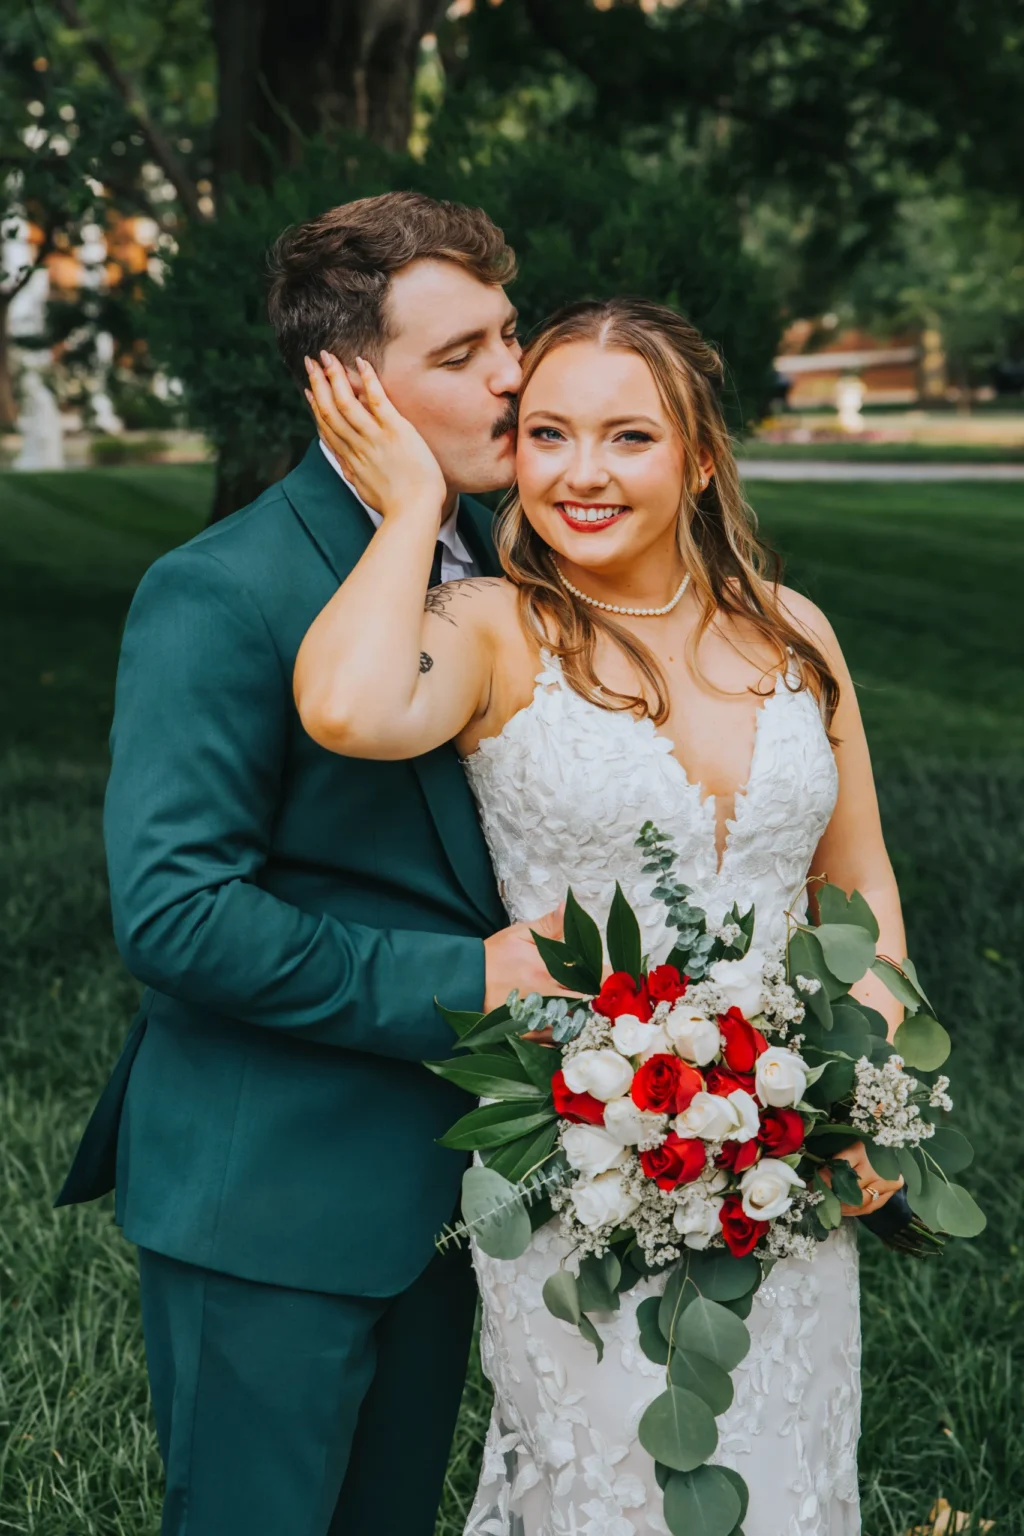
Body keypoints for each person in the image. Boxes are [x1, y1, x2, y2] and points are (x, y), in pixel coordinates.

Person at [296, 295, 908, 1535]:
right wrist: (415, 511)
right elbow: (347, 710)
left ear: (699, 457)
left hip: (789, 1156)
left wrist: (875, 1097)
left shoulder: (796, 634)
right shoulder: (486, 630)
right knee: (615, 1487)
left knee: (786, 1476)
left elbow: (855, 890)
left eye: (628, 438)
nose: (581, 474)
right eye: (548, 435)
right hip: (585, 1172)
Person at [55, 190, 565, 1536]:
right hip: (266, 1196)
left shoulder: (515, 567)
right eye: (459, 356)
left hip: (448, 1189)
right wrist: (475, 977)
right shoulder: (222, 591)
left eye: (507, 336)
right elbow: (177, 916)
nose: (513, 376)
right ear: (344, 384)